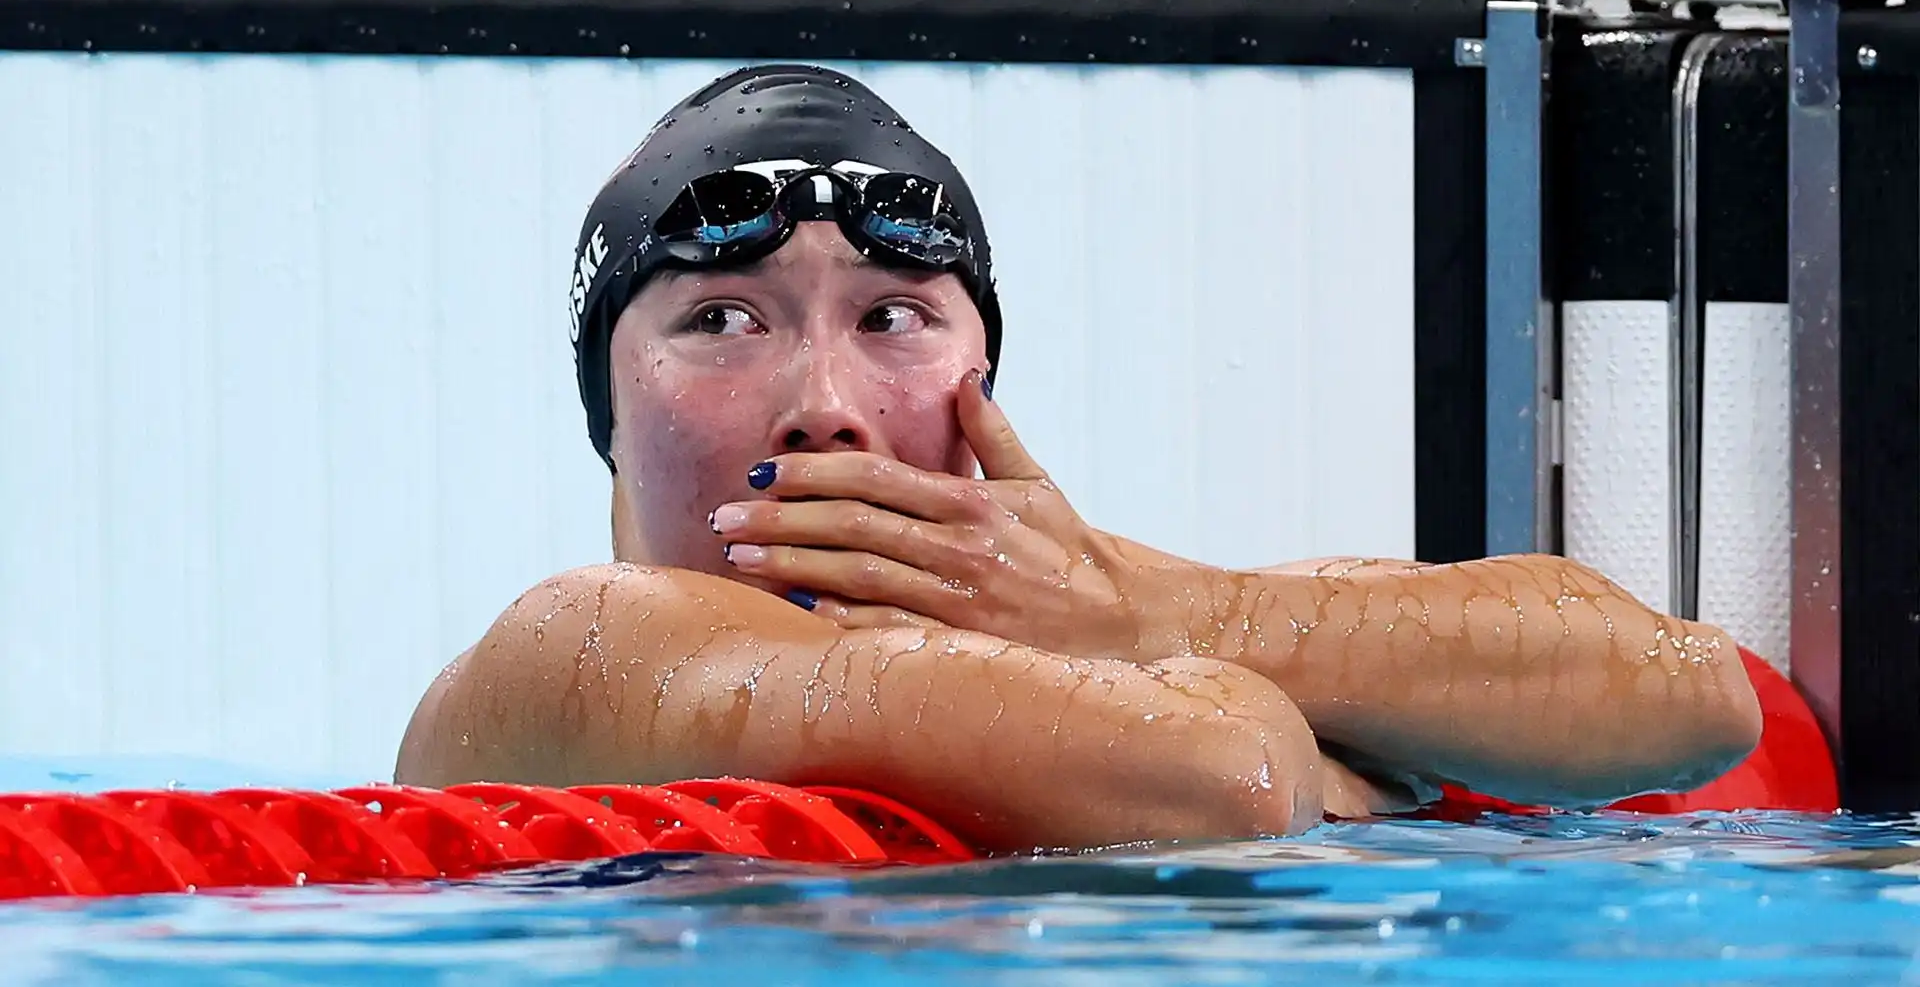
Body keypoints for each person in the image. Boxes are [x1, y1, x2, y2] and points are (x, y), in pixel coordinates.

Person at [393, 64, 1766, 854]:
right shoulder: (570, 652)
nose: (824, 406)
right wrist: (1326, 722)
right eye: (723, 320)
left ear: (981, 390)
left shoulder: (1115, 627)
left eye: (892, 317)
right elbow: (1225, 777)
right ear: (606, 420)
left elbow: (1691, 694)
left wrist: (1178, 614)